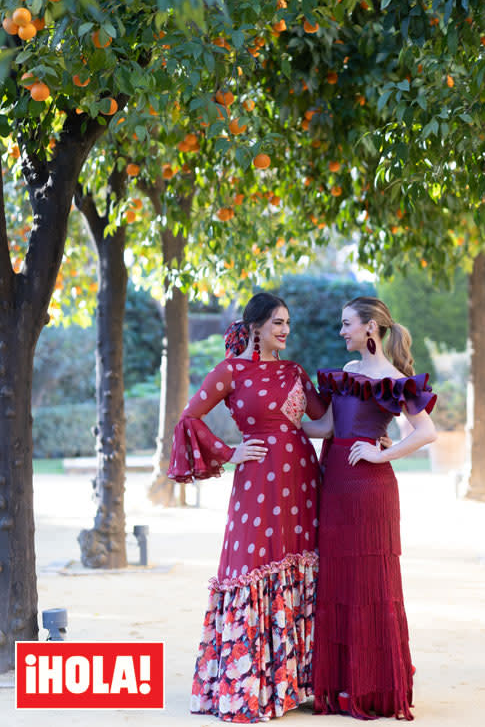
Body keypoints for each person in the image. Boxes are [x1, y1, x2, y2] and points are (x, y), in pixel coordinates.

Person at [168, 292, 327, 723]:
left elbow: (319, 422)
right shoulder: (231, 370)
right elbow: (189, 417)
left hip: (302, 479)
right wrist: (228, 452)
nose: (285, 331)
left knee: (303, 563)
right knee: (252, 563)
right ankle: (253, 684)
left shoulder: (295, 372)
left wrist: (367, 412)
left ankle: (300, 685)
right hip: (257, 481)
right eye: (277, 323)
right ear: (254, 326)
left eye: (288, 324)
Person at [302, 296, 437, 721]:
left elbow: (426, 431)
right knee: (338, 583)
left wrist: (383, 455)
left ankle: (374, 689)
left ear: (371, 329)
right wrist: (275, 423)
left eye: (347, 324)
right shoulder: (347, 374)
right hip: (337, 484)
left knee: (372, 587)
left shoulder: (395, 380)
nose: (342, 331)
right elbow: (326, 427)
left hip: (370, 488)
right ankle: (343, 687)